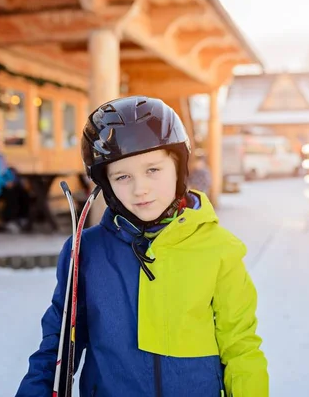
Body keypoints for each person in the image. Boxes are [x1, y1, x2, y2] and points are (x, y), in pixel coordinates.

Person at [16, 96, 268, 396]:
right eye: (122, 177)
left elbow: (240, 346)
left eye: (153, 170)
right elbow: (57, 347)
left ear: (179, 167)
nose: (140, 189)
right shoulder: (88, 252)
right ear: (106, 186)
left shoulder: (218, 250)